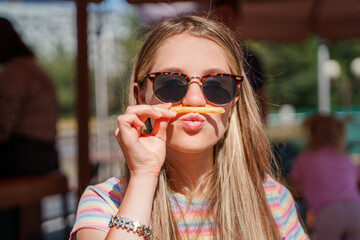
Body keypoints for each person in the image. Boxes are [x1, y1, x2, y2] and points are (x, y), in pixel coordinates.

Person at [70, 14, 308, 240]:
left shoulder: (273, 200)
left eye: (216, 84)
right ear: (141, 96)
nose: (194, 100)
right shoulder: (106, 203)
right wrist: (144, 175)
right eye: (171, 82)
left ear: (234, 99)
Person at [0, 17, 58, 240]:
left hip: (23, 155)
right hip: (47, 155)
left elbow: (3, 126)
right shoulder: (37, 70)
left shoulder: (13, 73)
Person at [291, 113, 360, 240]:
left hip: (327, 211)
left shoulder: (305, 159)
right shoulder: (344, 157)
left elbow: (295, 186)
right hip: (356, 209)